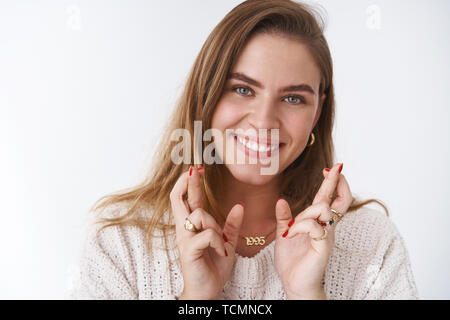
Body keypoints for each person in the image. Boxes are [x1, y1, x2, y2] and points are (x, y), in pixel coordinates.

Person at [71, 0, 418, 300]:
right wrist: (196, 298)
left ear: (318, 113)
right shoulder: (119, 245)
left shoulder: (372, 243)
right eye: (242, 89)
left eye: (293, 98)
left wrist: (305, 294)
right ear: (206, 94)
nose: (264, 120)